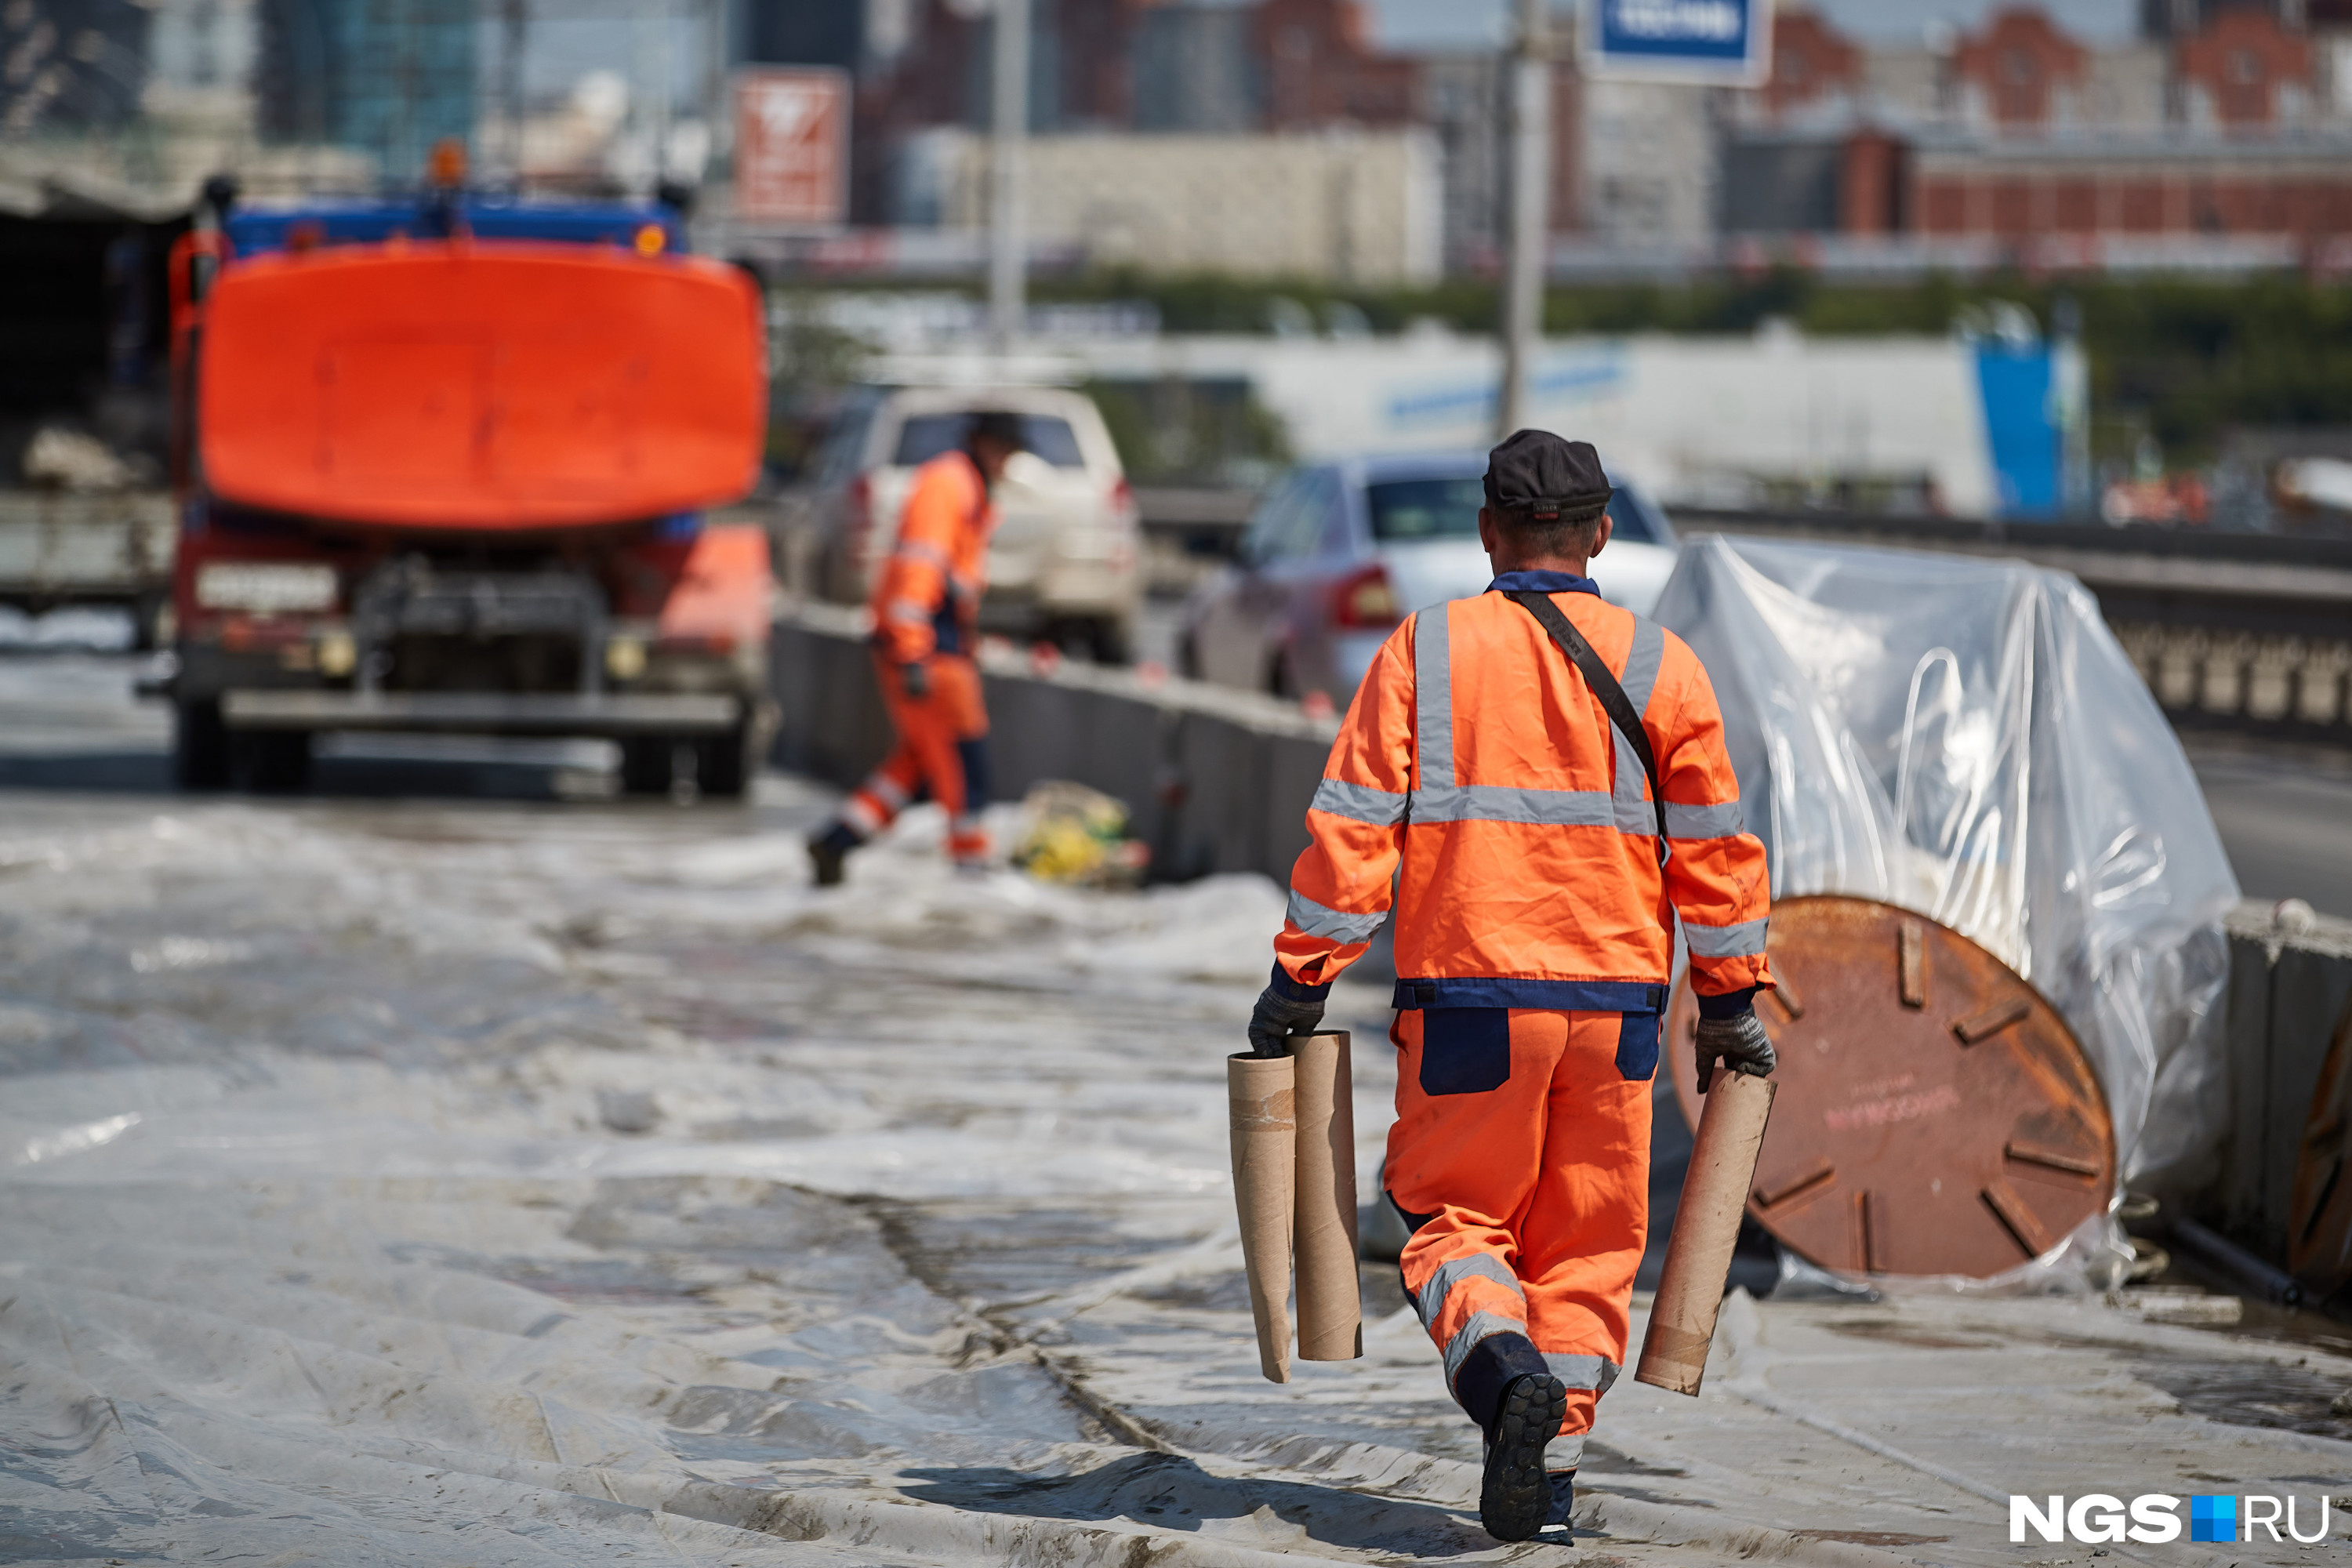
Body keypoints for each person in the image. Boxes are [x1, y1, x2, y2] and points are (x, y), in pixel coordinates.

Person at [1246, 430, 1777, 1542]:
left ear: (1489, 532)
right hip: (1623, 1014)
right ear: (1599, 534)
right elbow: (1719, 853)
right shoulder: (1663, 665)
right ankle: (1557, 1482)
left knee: (1451, 1220)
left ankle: (1500, 1381)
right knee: (1590, 1245)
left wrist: (1301, 981)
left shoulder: (1425, 653)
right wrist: (1730, 1003)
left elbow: (1352, 836)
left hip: (1471, 1002)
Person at [807, 412, 1024, 886]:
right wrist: (912, 652)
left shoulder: (966, 487)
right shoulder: (951, 485)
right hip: (929, 649)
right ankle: (972, 872)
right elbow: (919, 568)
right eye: (1006, 452)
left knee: (919, 763)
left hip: (937, 644)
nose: (1008, 464)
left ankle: (838, 839)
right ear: (987, 445)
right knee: (964, 759)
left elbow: (950, 578)